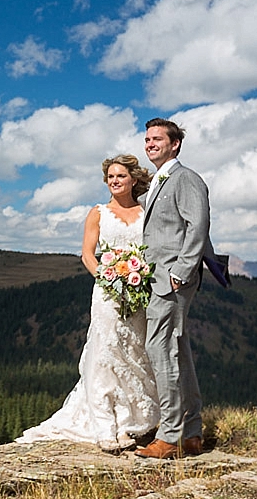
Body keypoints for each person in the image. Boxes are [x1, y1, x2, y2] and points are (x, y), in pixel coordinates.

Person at [16, 154, 162, 452]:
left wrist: (139, 276)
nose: (114, 181)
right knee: (105, 352)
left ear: (133, 180)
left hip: (137, 293)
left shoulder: (145, 212)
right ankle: (104, 425)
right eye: (110, 177)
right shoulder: (98, 213)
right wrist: (110, 279)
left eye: (120, 176)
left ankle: (128, 424)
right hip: (108, 293)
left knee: (132, 351)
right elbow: (87, 254)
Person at [135, 118, 214, 460]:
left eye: (157, 139)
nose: (150, 144)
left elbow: (198, 224)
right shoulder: (157, 181)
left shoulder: (186, 178)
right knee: (177, 350)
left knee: (160, 349)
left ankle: (169, 437)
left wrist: (181, 271)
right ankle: (192, 433)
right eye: (147, 139)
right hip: (158, 277)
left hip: (172, 279)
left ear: (175, 144)